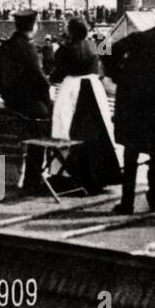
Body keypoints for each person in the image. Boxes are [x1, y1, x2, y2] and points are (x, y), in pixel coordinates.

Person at [105, 0, 155, 215]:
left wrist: (118, 76)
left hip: (132, 108)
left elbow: (105, 51)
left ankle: (127, 203)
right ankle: (154, 201)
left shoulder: (138, 37)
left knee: (130, 155)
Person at [48, 17, 121, 193]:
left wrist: (51, 79)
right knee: (100, 127)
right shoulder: (95, 45)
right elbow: (110, 57)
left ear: (71, 32)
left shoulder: (64, 50)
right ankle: (102, 172)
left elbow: (57, 72)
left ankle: (67, 173)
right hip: (94, 86)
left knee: (65, 126)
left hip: (72, 87)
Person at [0, 10, 51, 191]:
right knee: (42, 128)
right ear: (33, 26)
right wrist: (47, 97)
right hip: (27, 102)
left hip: (11, 99)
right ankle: (33, 180)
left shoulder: (6, 46)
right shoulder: (27, 47)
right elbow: (39, 78)